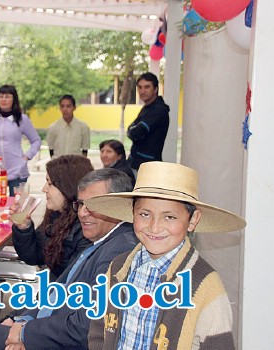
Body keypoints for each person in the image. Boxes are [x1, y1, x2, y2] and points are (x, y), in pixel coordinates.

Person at [0, 168, 138, 350]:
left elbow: (86, 326)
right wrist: (20, 318)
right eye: (81, 204)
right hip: (38, 327)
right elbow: (56, 292)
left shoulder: (118, 250)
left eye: (93, 205)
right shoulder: (103, 239)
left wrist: (25, 333)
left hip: (49, 340)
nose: (83, 213)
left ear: (118, 205)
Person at [86, 161, 247, 350]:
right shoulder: (118, 268)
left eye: (169, 217)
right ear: (132, 213)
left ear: (192, 220)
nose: (154, 227)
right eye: (145, 214)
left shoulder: (205, 286)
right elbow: (99, 330)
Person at [12, 155, 93, 281]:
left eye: (49, 183)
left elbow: (73, 282)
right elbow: (35, 256)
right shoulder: (56, 215)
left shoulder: (87, 226)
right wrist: (25, 229)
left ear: (67, 186)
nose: (44, 189)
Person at [0, 84, 41, 195]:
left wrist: (26, 157)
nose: (4, 99)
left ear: (14, 99)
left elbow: (36, 141)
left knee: (15, 208)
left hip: (17, 171)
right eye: (1, 96)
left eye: (7, 96)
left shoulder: (22, 119)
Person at [127, 72, 170, 173]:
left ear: (155, 89)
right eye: (140, 87)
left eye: (147, 87)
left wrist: (132, 130)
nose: (142, 91)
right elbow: (131, 129)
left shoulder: (158, 110)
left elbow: (135, 133)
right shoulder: (147, 108)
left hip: (147, 167)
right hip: (138, 163)